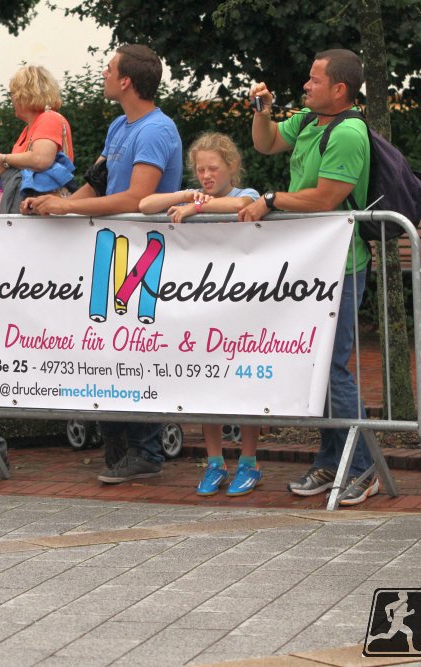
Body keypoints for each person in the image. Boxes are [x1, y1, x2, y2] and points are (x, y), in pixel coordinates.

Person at [23, 44, 183, 484]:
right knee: (108, 348)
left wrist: (67, 207)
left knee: (134, 350)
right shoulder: (119, 125)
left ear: (126, 80)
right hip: (113, 251)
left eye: (109, 69)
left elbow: (137, 197)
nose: (104, 74)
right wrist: (54, 203)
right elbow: (98, 182)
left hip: (144, 256)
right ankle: (120, 450)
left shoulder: (156, 129)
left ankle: (145, 451)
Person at [240, 49, 376, 505]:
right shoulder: (309, 120)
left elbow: (326, 198)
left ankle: (362, 468)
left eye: (315, 80)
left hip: (341, 265)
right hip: (312, 264)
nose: (305, 85)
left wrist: (271, 199)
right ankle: (332, 460)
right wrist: (263, 113)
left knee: (333, 368)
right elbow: (266, 143)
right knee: (317, 367)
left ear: (339, 89)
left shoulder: (349, 132)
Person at [139, 132, 262, 495]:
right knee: (208, 384)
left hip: (241, 303)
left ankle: (249, 462)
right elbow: (145, 204)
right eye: (200, 170)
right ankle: (214, 462)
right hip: (203, 306)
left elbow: (242, 205)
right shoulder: (195, 195)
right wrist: (185, 196)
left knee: (245, 384)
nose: (206, 176)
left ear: (231, 167)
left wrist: (197, 208)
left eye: (213, 168)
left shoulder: (245, 193)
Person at [0, 65, 75, 214]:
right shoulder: (29, 129)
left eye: (12, 94)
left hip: (45, 212)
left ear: (23, 94)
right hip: (34, 210)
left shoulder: (49, 118)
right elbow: (23, 166)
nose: (11, 100)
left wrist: (3, 158)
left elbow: (41, 159)